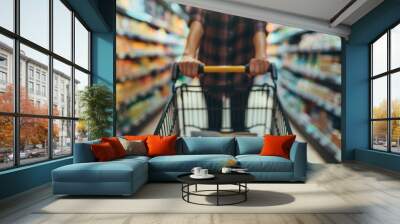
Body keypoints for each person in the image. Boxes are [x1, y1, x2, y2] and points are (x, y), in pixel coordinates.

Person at [178, 7, 270, 132]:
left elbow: (258, 24)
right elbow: (198, 19)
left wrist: (261, 56)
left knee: (239, 124)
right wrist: (188, 54)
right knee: (213, 124)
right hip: (211, 71)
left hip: (242, 71)